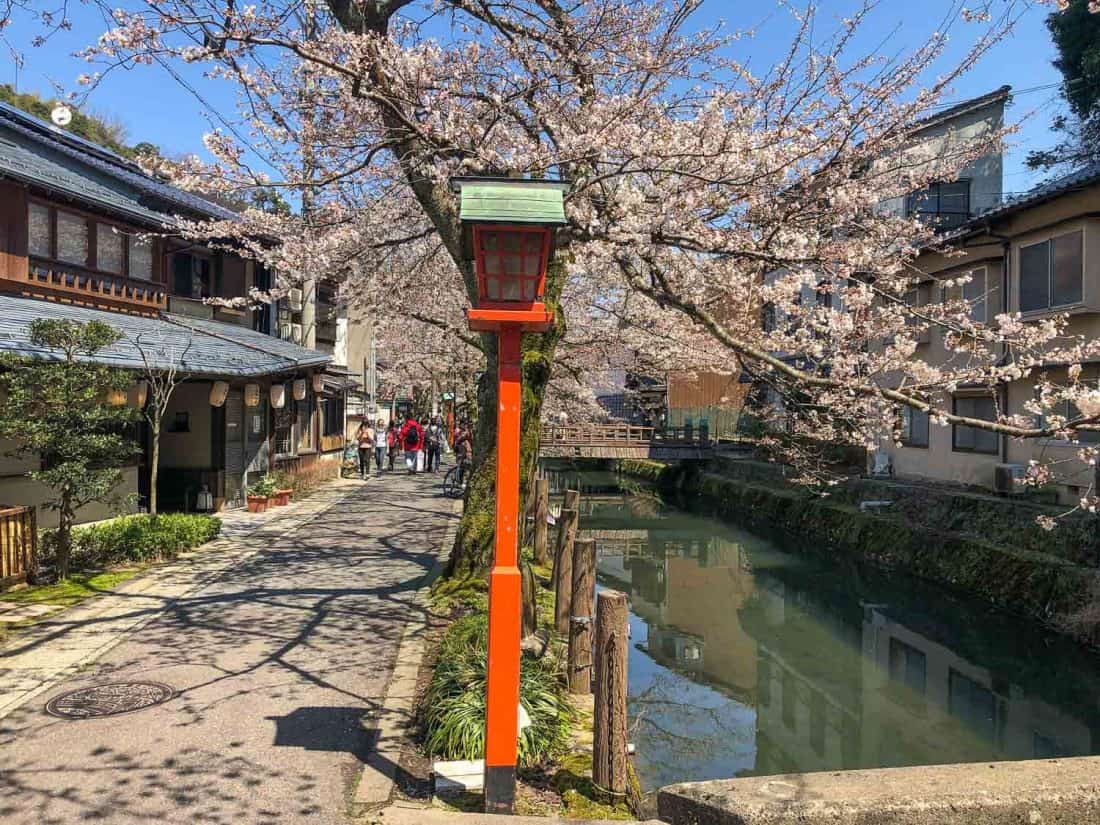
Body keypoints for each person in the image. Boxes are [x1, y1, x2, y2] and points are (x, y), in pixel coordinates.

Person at [453, 420, 473, 486]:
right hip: (460, 451)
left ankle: (464, 482)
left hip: (467, 451)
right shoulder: (458, 432)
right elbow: (457, 440)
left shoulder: (468, 432)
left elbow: (470, 439)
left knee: (466, 467)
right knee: (460, 467)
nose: (464, 426)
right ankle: (459, 482)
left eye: (465, 424)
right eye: (463, 424)